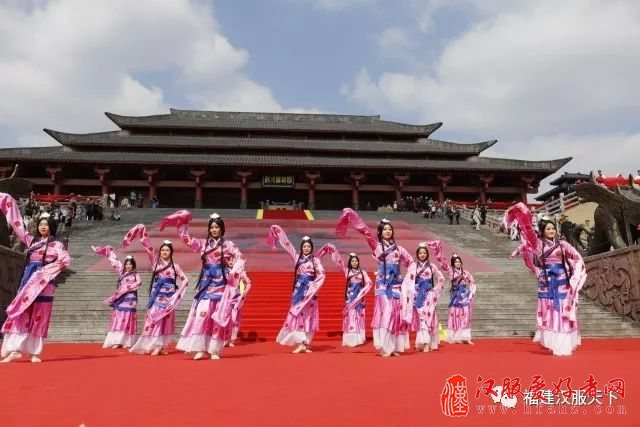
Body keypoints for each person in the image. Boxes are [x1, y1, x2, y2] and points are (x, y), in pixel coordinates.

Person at [159, 211, 246, 360]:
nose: (214, 230)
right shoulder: (203, 244)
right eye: (212, 227)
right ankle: (200, 348)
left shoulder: (228, 245)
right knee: (201, 315)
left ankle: (214, 350)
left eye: (217, 227)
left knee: (216, 318)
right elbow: (186, 239)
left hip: (221, 286)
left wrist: (232, 272)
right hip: (206, 285)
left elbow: (241, 258)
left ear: (221, 229)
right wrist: (182, 223)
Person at [505, 203, 586, 356]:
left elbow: (577, 258)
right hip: (546, 283)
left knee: (562, 310)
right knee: (550, 311)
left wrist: (574, 274)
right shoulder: (538, 245)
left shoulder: (563, 245)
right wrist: (522, 214)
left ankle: (563, 343)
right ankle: (552, 342)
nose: (551, 231)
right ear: (542, 231)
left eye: (553, 228)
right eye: (548, 229)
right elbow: (528, 232)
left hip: (562, 282)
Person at [0, 193, 71, 363]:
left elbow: (65, 260)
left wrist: (46, 271)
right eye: (40, 224)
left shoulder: (57, 245)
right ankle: (15, 349)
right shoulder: (31, 241)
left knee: (40, 315)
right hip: (28, 281)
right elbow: (18, 227)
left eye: (46, 225)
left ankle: (34, 352)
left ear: (51, 227)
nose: (43, 227)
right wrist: (7, 201)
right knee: (21, 312)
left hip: (44, 284)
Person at [335, 208, 414, 357]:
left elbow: (411, 263)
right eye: (385, 229)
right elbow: (366, 232)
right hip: (383, 285)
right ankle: (384, 345)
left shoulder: (400, 249)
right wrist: (352, 215)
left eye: (390, 229)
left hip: (397, 285)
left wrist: (408, 280)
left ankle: (392, 347)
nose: (388, 231)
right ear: (380, 232)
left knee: (395, 314)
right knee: (387, 312)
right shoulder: (377, 246)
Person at [268, 226, 331, 354]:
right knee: (297, 316)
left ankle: (303, 343)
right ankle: (299, 342)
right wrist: (279, 231)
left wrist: (313, 286)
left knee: (308, 317)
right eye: (304, 246)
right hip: (298, 292)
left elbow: (322, 274)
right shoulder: (297, 259)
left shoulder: (316, 261)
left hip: (310, 293)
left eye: (308, 246)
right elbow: (288, 245)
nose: (306, 248)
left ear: (311, 248)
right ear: (301, 248)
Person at [124, 233, 189, 356]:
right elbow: (149, 249)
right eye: (163, 250)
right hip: (158, 296)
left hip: (169, 298)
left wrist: (177, 294)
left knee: (166, 321)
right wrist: (143, 235)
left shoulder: (176, 266)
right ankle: (153, 345)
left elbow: (185, 279)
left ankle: (161, 346)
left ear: (171, 252)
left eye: (167, 250)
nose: (164, 252)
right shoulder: (155, 263)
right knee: (154, 319)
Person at [91, 245, 141, 349]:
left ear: (133, 265)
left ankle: (125, 341)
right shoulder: (121, 272)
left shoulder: (136, 275)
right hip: (121, 299)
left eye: (130, 265)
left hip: (130, 300)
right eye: (126, 264)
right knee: (118, 318)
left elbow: (139, 283)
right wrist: (108, 251)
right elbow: (115, 261)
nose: (128, 266)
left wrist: (126, 288)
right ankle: (116, 340)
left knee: (127, 319)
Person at [403, 242, 445, 352]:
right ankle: (422, 343)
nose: (422, 254)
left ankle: (426, 343)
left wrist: (435, 290)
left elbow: (441, 279)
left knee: (428, 318)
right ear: (417, 254)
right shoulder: (413, 266)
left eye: (424, 253)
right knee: (421, 318)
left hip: (429, 296)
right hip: (418, 296)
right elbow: (408, 280)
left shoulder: (432, 267)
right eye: (420, 253)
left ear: (427, 254)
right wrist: (412, 289)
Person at [327, 250, 373, 347]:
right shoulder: (347, 271)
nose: (354, 263)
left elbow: (369, 282)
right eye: (352, 261)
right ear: (350, 262)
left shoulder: (363, 272)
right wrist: (333, 251)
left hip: (359, 297)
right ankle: (350, 340)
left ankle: (359, 339)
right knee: (351, 317)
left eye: (356, 261)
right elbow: (339, 263)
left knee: (359, 317)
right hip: (350, 297)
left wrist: (362, 292)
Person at [445, 254, 476, 345]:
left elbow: (473, 283)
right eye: (455, 262)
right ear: (453, 264)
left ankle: (466, 337)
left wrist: (471, 295)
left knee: (466, 315)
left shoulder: (466, 273)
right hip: (456, 297)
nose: (457, 263)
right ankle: (455, 336)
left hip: (465, 296)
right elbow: (444, 264)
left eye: (459, 261)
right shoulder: (451, 273)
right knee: (455, 316)